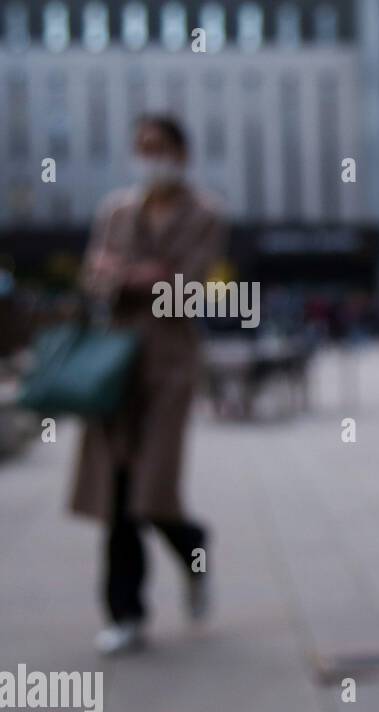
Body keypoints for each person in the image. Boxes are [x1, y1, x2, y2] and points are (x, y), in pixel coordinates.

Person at [73, 115, 227, 655]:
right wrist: (139, 274)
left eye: (157, 147)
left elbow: (186, 290)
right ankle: (126, 612)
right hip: (113, 367)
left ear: (181, 152)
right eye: (140, 147)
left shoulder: (204, 214)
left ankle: (194, 548)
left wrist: (134, 275)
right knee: (116, 492)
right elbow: (94, 275)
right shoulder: (116, 210)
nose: (148, 157)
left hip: (169, 366)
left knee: (153, 491)